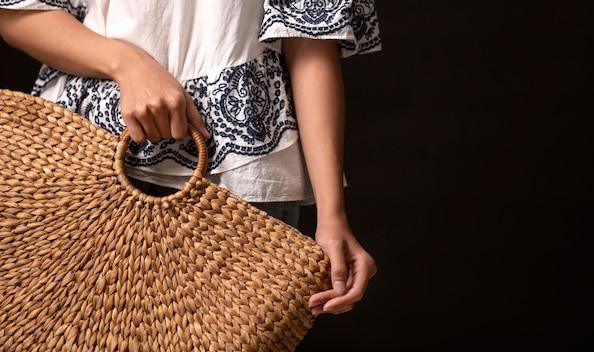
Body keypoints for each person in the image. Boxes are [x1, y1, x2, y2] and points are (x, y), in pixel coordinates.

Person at [0, 0, 381, 317]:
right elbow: (18, 13)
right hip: (84, 154)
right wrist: (128, 63)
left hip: (238, 177)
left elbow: (312, 39)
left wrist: (332, 216)